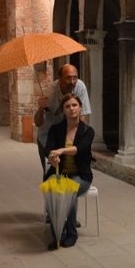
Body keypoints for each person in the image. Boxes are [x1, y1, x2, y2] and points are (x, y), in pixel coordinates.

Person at [43, 93, 94, 250]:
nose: (71, 109)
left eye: (74, 105)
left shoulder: (87, 131)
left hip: (81, 175)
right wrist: (53, 157)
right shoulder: (56, 129)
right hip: (59, 172)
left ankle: (71, 234)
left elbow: (79, 149)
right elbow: (48, 150)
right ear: (63, 110)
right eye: (67, 106)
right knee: (51, 190)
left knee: (68, 190)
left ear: (80, 108)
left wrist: (61, 151)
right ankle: (57, 235)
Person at [34, 63, 91, 175]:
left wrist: (78, 143)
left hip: (69, 137)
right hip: (48, 138)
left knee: (73, 173)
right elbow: (38, 122)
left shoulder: (80, 87)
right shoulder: (50, 91)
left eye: (75, 77)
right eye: (68, 78)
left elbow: (83, 116)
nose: (72, 81)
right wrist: (41, 108)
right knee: (51, 175)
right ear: (60, 78)